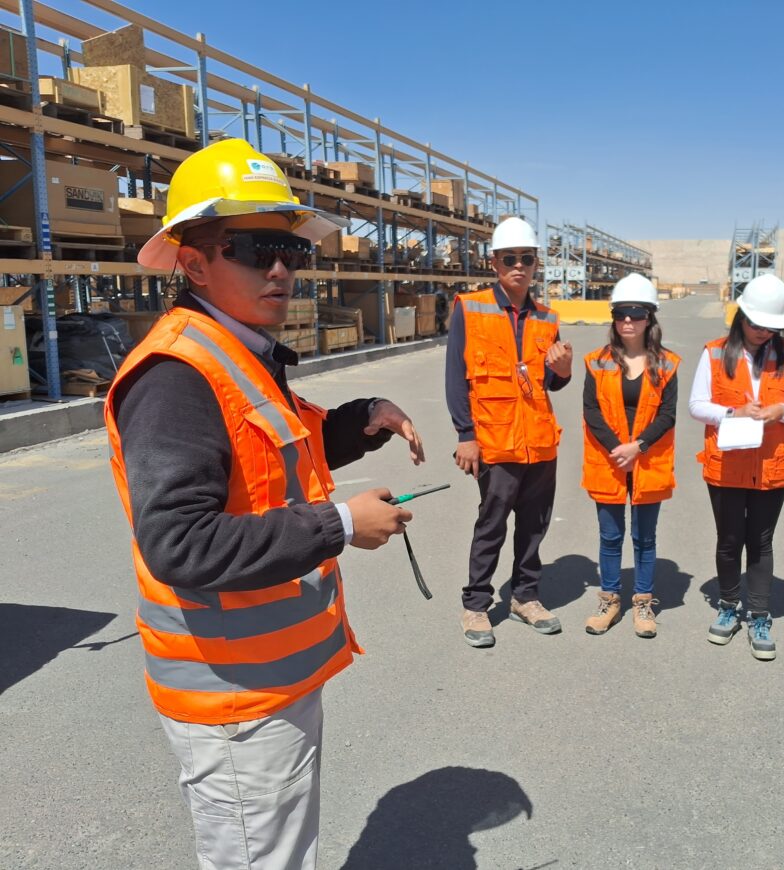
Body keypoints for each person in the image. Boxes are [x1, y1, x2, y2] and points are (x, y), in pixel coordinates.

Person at [105, 139, 423, 869]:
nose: (280, 267)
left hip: (268, 677)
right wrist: (342, 523)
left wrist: (360, 419)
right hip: (232, 695)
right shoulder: (177, 375)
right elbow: (180, 545)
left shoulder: (239, 351)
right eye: (251, 247)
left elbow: (270, 457)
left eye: (287, 248)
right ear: (192, 263)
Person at [445, 217, 573, 647]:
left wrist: (564, 371)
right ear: (494, 263)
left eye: (527, 259)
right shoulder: (470, 306)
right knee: (492, 524)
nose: (519, 266)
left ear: (536, 264)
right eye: (510, 259)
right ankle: (476, 604)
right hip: (494, 440)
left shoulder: (547, 317)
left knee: (534, 526)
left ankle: (525, 597)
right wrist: (466, 434)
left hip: (538, 440)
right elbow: (456, 376)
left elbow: (551, 383)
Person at [689, 275, 784, 660]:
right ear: (741, 316)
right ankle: (728, 606)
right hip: (727, 464)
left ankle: (759, 614)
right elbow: (696, 404)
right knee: (729, 540)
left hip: (772, 465)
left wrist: (782, 411)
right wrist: (732, 412)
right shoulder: (713, 353)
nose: (761, 332)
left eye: (770, 327)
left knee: (760, 542)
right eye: (755, 324)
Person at [581, 273, 679, 638]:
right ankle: (609, 599)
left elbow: (668, 414)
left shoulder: (666, 363)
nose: (627, 320)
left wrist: (637, 446)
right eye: (621, 313)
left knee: (644, 537)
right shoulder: (597, 361)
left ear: (649, 318)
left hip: (646, 460)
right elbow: (591, 411)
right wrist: (616, 449)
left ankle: (643, 602)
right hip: (609, 461)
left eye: (636, 314)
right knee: (610, 536)